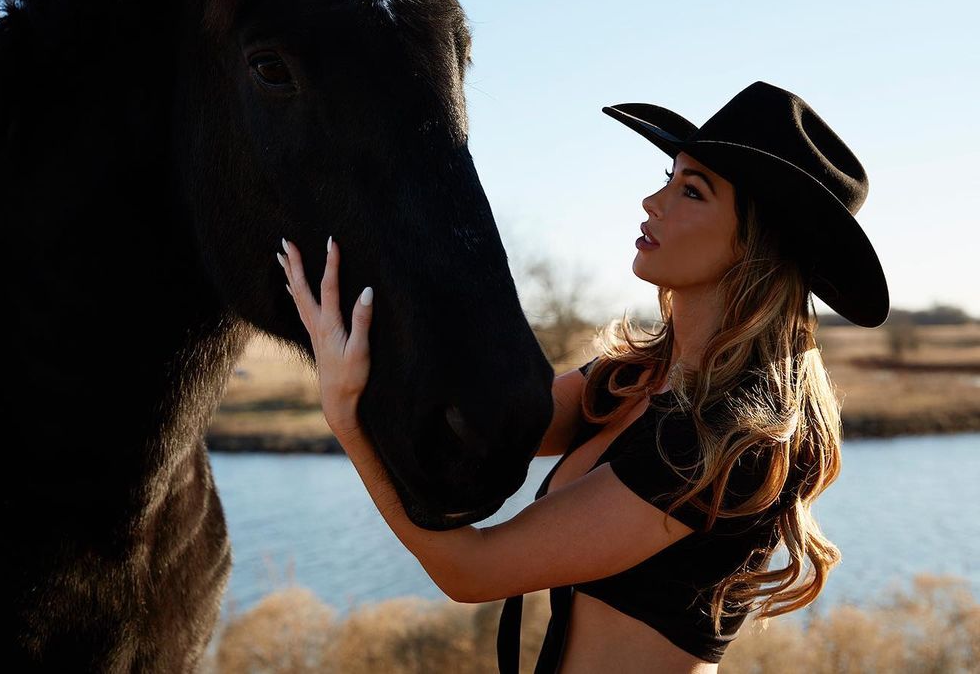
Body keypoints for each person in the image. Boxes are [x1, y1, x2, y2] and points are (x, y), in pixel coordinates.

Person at [276, 79, 889, 673]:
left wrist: (347, 419)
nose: (654, 203)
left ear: (759, 242)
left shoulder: (724, 435)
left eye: (693, 192)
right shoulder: (632, 379)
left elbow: (472, 570)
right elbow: (486, 424)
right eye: (667, 180)